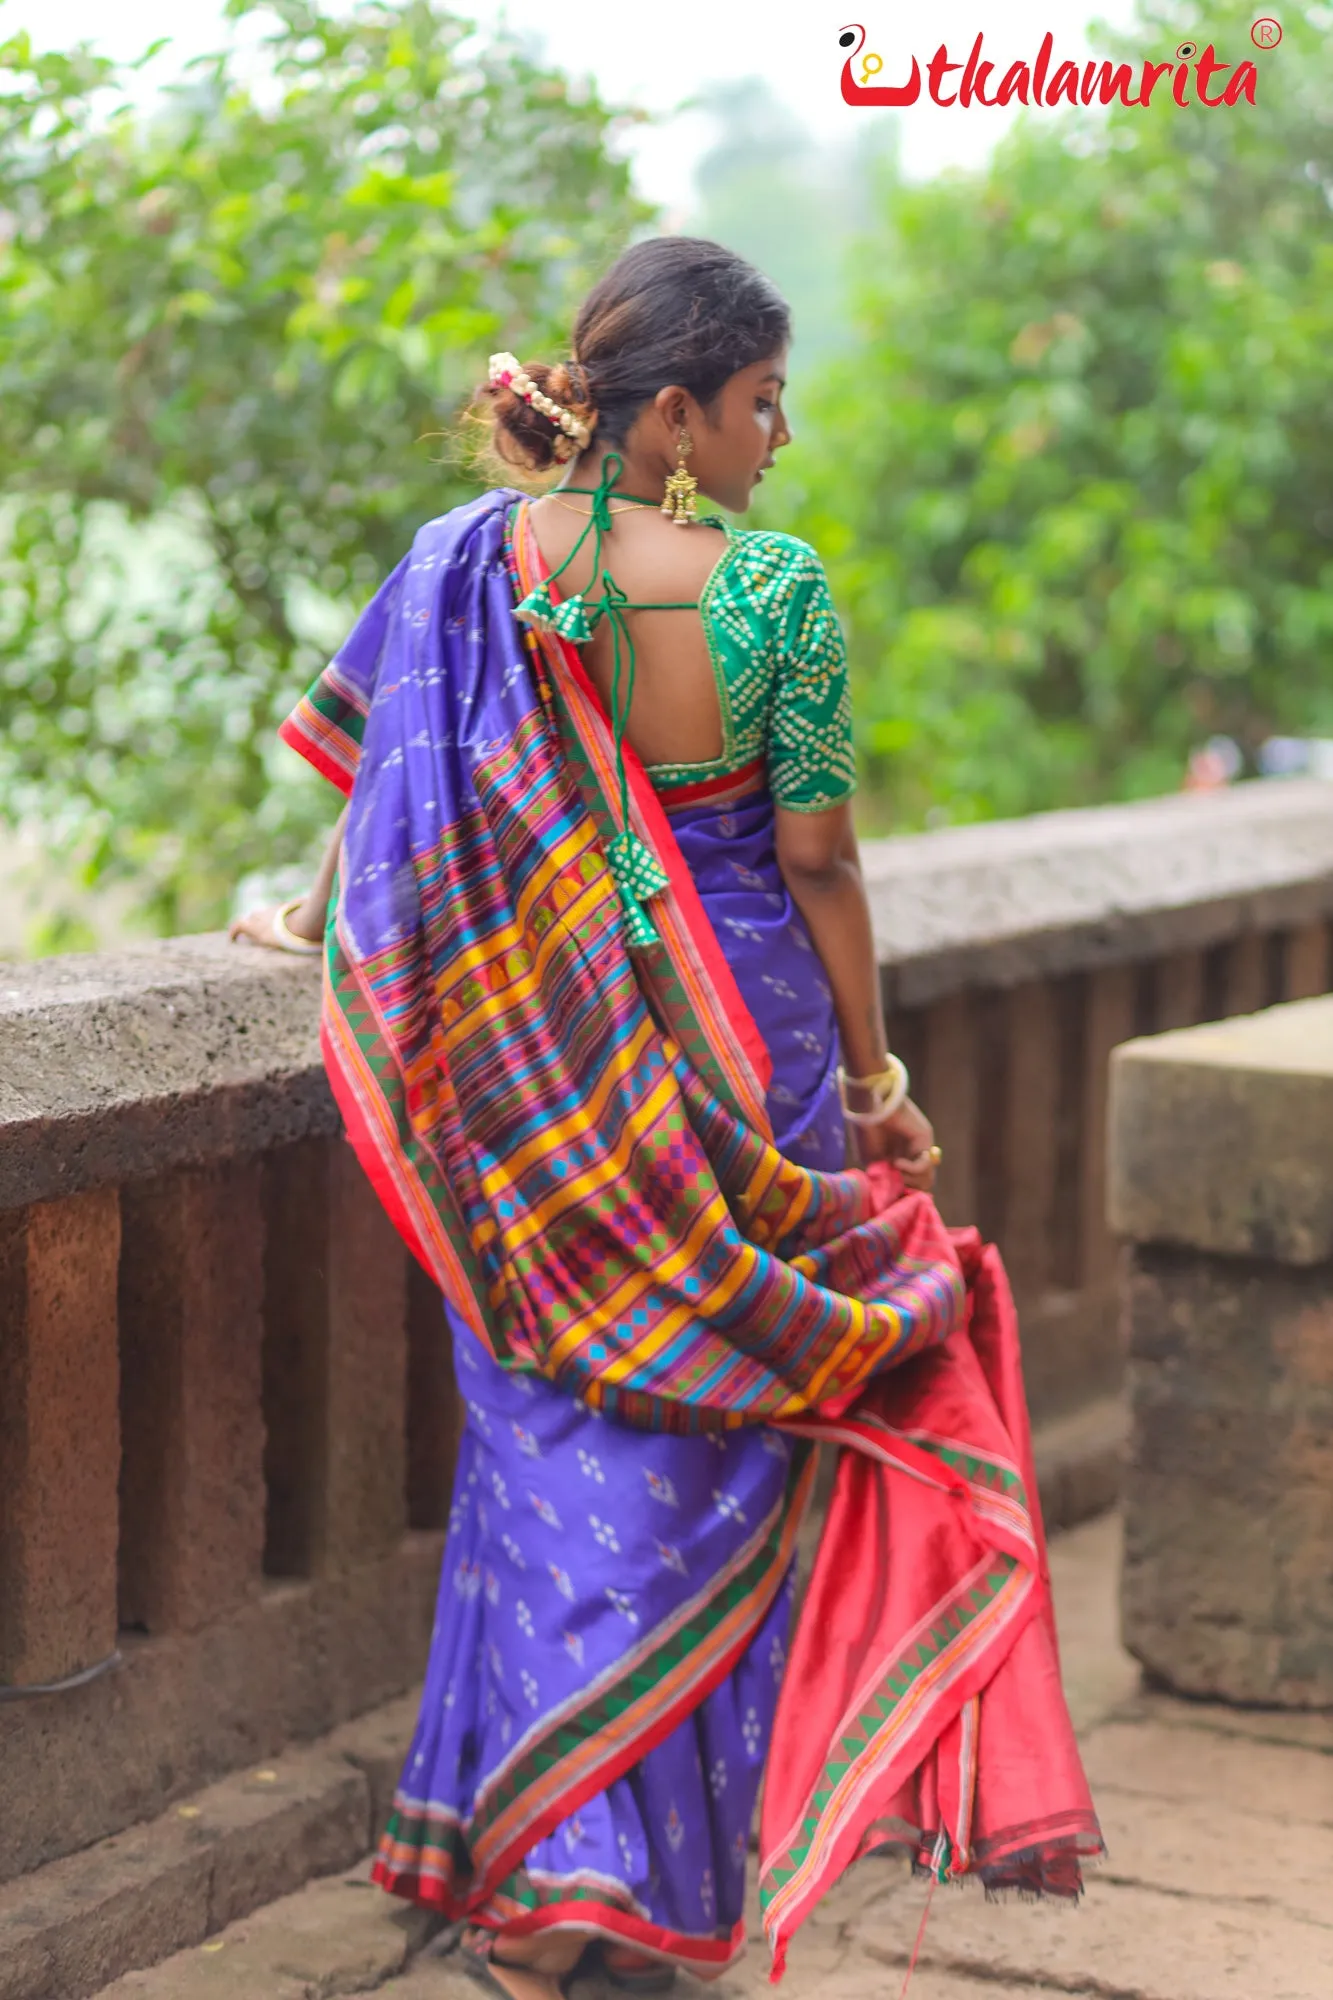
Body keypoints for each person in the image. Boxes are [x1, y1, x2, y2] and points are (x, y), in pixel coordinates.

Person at [232, 238, 1100, 2000]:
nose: (782, 435)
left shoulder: (461, 566)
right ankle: (641, 1899)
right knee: (713, 1470)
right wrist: (872, 1084)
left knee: (564, 1458)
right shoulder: (772, 594)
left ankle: (562, 1881)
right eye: (765, 400)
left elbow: (396, 793)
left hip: (534, 1099)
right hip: (746, 1079)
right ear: (681, 412)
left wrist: (322, 920)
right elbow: (819, 861)